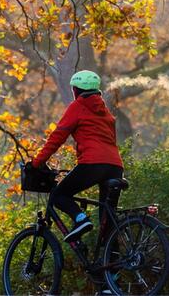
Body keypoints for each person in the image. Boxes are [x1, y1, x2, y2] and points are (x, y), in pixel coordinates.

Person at [31, 70, 124, 241]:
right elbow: (111, 142)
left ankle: (80, 219)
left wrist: (37, 163)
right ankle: (111, 265)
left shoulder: (77, 107)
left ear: (76, 90)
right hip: (115, 166)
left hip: (93, 164)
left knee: (59, 195)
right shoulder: (107, 114)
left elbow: (57, 137)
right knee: (107, 219)